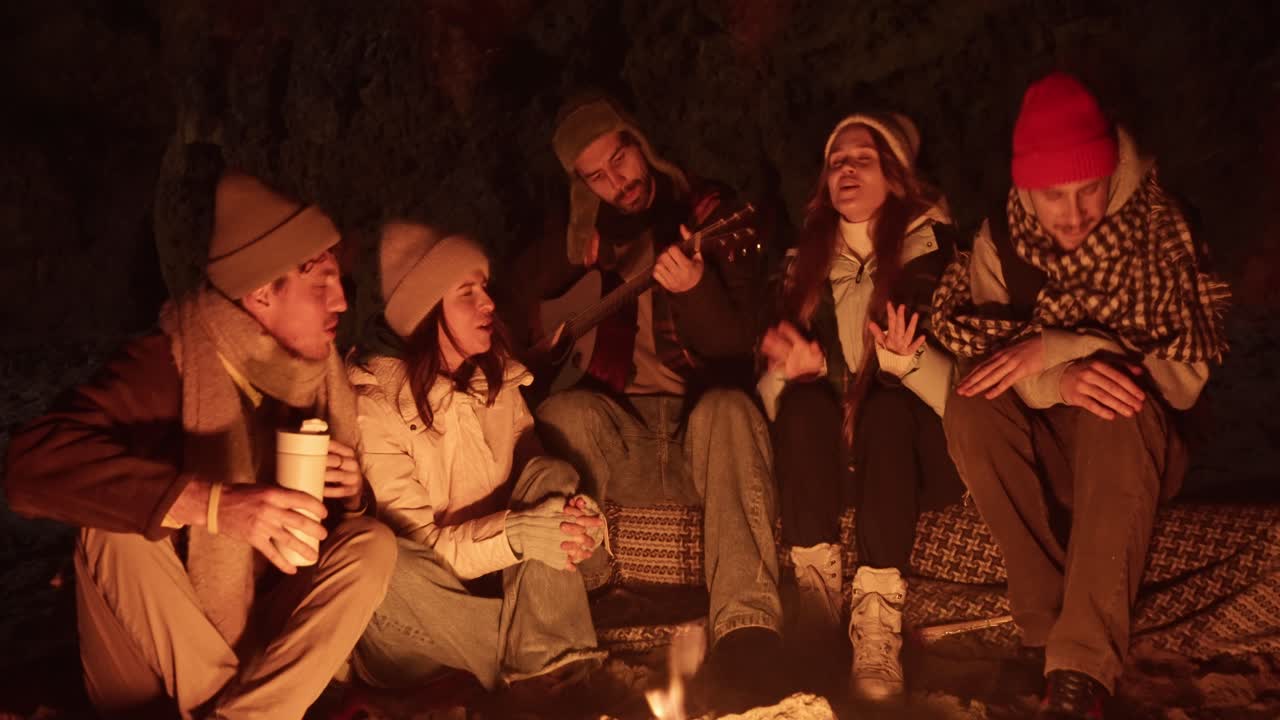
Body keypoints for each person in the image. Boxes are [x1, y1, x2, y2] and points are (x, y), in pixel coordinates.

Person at [4, 171, 397, 719]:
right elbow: (26, 469)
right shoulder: (168, 367)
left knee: (372, 544)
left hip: (256, 634)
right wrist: (214, 505)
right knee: (116, 530)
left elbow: (317, 534)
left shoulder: (312, 381)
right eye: (321, 283)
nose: (340, 301)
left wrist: (352, 496)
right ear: (262, 292)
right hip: (154, 649)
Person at [932, 72, 1229, 719]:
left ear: (1110, 173)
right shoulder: (1002, 240)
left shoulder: (1160, 231)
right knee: (972, 401)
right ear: (1026, 189)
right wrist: (1057, 375)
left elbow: (1183, 382)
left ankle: (1080, 672)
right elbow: (990, 360)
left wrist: (1061, 345)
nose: (1072, 214)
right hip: (1053, 438)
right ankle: (1042, 631)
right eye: (1053, 195)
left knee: (1117, 402)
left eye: (1088, 189)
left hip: (1137, 442)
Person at [517, 94, 783, 711]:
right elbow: (521, 302)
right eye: (597, 177)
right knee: (564, 417)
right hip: (626, 431)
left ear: (640, 142)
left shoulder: (709, 211)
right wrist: (566, 266)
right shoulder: (582, 235)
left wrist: (694, 291)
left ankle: (747, 633)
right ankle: (583, 593)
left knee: (730, 410)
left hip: (701, 432)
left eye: (620, 159)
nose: (618, 182)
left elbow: (738, 341)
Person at [348, 222, 607, 700]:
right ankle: (546, 660)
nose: (489, 304)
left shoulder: (495, 378)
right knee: (385, 558)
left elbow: (540, 476)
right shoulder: (374, 403)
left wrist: (574, 519)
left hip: (497, 589)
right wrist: (519, 534)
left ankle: (542, 667)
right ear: (426, 311)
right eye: (467, 292)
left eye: (484, 288)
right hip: (418, 625)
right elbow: (424, 549)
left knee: (554, 475)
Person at [758, 112, 965, 701]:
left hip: (910, 463)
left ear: (895, 177)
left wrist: (908, 366)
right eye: (836, 160)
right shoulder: (802, 266)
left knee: (889, 407)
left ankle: (877, 622)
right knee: (800, 407)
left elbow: (967, 394)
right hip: (831, 468)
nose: (846, 169)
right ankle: (819, 607)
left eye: (863, 158)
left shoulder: (938, 256)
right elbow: (763, 393)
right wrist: (787, 375)